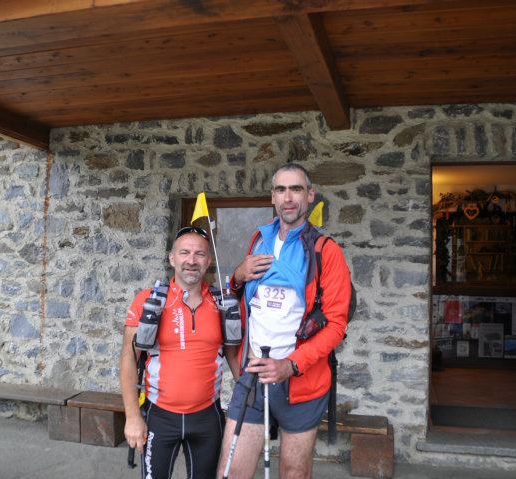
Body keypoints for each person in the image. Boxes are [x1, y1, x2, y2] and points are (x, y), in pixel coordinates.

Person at [217, 163, 352, 478]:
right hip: (253, 376)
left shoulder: (326, 251)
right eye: (281, 189)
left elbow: (336, 326)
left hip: (301, 383)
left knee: (294, 472)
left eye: (296, 189)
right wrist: (237, 276)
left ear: (310, 195)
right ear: (273, 197)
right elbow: (238, 298)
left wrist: (290, 365)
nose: (288, 198)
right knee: (231, 470)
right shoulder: (259, 240)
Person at [119, 226, 238, 479]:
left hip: (208, 417)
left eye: (199, 254)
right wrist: (132, 417)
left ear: (208, 260)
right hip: (159, 416)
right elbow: (129, 358)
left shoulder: (222, 304)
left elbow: (234, 356)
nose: (191, 260)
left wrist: (252, 399)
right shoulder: (148, 301)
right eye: (184, 253)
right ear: (172, 258)